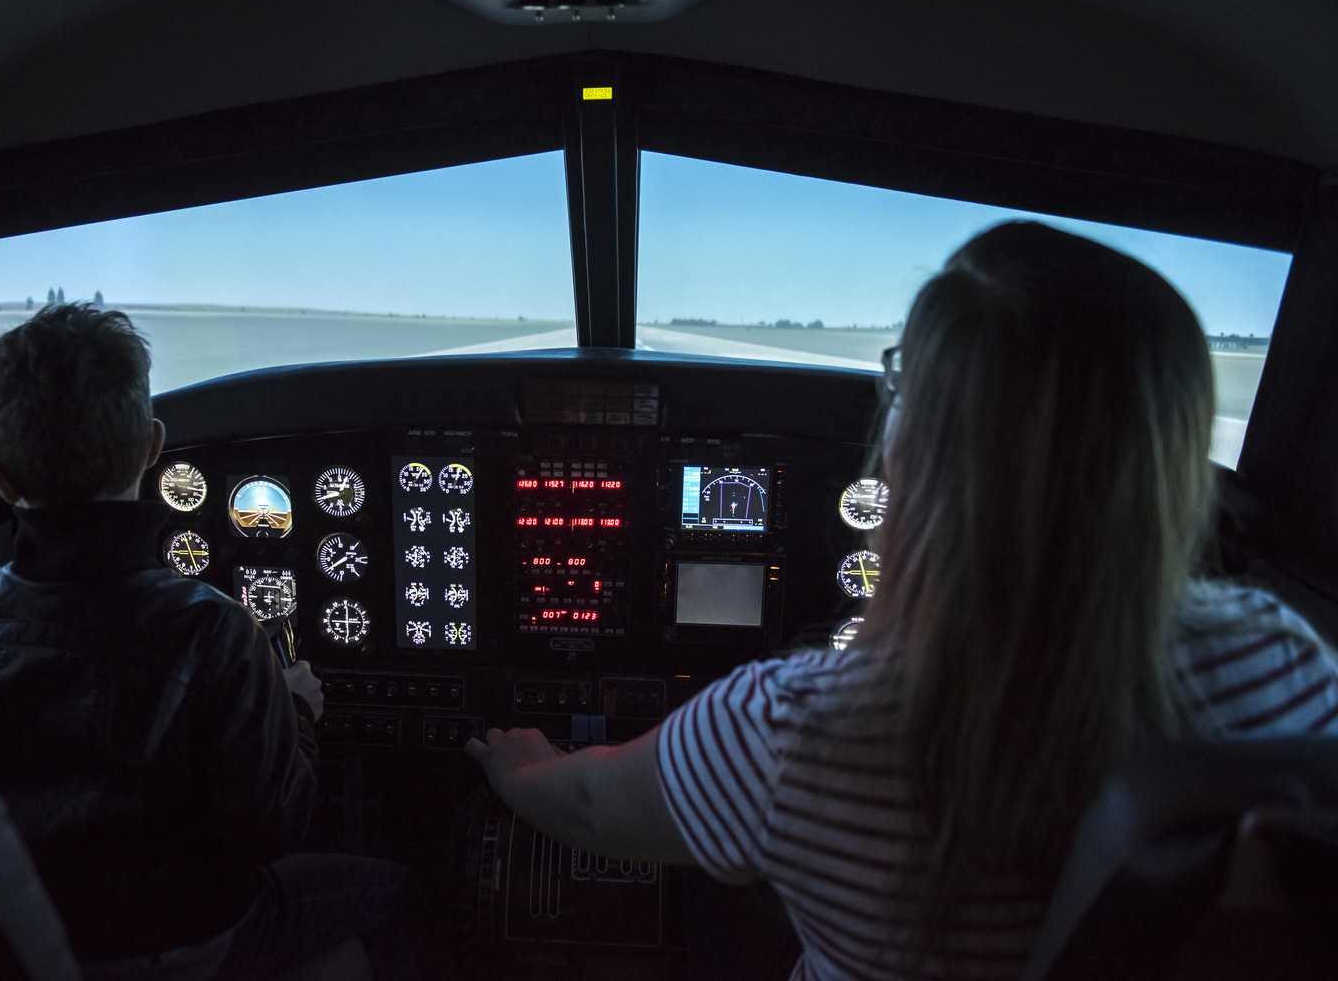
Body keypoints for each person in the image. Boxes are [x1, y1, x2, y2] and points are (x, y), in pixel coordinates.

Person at [466, 221, 1338, 980]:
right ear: (1170, 455)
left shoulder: (796, 727)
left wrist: (522, 768)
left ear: (919, 445)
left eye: (902, 387)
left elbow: (590, 807)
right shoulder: (1284, 662)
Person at [0, 302, 405, 978]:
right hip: (185, 940)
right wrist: (297, 711)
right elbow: (273, 827)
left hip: (27, 939)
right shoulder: (214, 628)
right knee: (400, 890)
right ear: (151, 447)